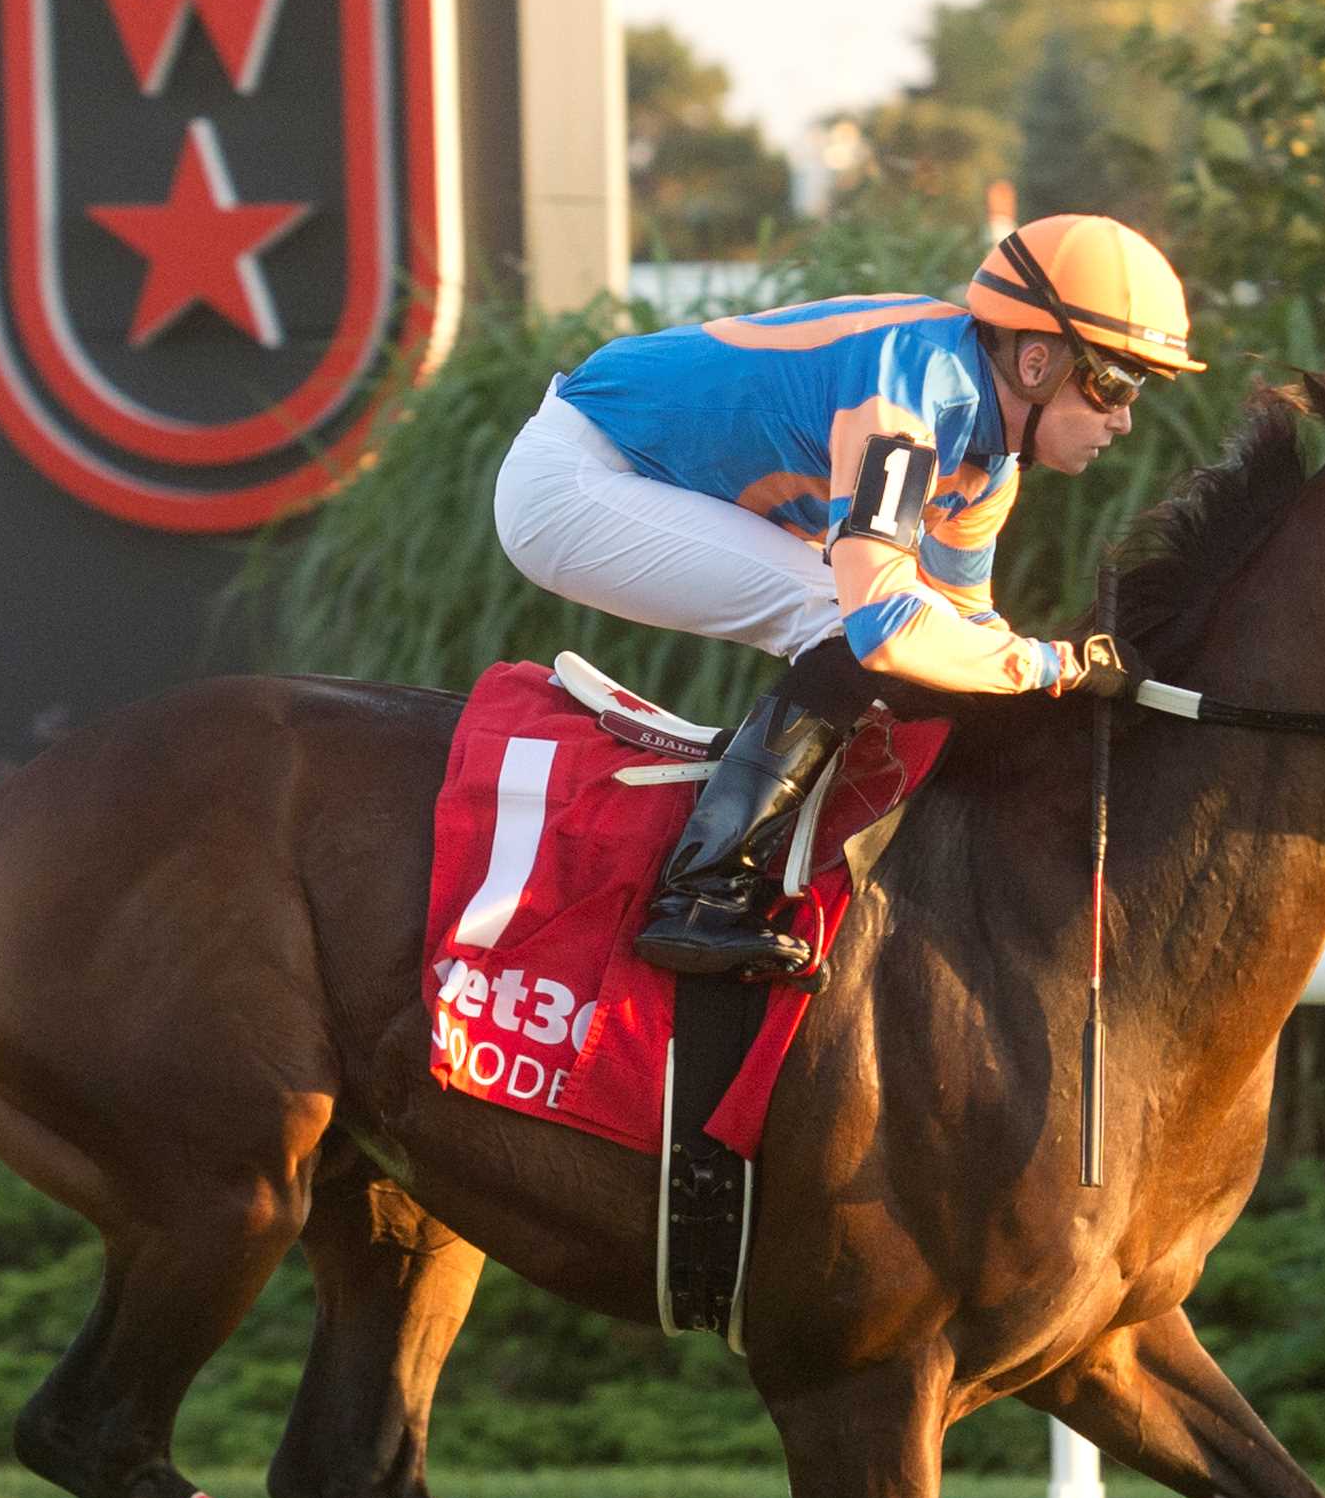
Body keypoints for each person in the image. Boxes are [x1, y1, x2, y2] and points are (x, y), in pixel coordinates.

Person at [493, 213, 1207, 979]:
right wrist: (1053, 666)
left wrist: (1063, 692)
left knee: (892, 635)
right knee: (843, 622)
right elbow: (887, 629)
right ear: (1036, 362)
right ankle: (699, 896)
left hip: (630, 472)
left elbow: (964, 625)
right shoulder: (915, 388)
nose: (1124, 419)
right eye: (1114, 383)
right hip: (577, 480)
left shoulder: (988, 465)